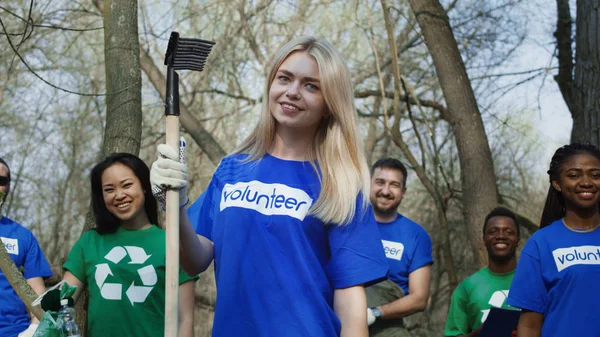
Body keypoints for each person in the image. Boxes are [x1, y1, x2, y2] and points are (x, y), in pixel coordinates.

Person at [151, 36, 389, 337]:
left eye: (311, 86)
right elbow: (194, 259)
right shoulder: (232, 169)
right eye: (284, 78)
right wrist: (174, 205)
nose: (292, 92)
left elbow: (351, 304)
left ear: (330, 104)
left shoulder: (341, 185)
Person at [62, 153, 197, 337]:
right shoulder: (90, 242)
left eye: (127, 185)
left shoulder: (173, 243)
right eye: (109, 189)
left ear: (145, 186)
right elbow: (61, 302)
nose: (119, 195)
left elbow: (185, 319)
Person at [507, 143, 600, 336]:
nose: (586, 182)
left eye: (595, 175)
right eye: (574, 175)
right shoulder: (541, 245)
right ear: (557, 183)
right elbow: (530, 326)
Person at [365, 158, 433, 336]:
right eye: (380, 182)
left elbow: (419, 298)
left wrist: (375, 313)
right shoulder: (348, 225)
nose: (385, 191)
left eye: (394, 185)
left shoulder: (416, 236)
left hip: (387, 326)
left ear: (403, 192)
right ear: (369, 184)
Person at [444, 207, 520, 337]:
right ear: (484, 239)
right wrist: (478, 334)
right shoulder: (466, 288)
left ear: (518, 240)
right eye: (493, 231)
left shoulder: (535, 282)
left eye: (508, 232)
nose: (501, 236)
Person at [0, 158, 52, 337]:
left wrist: (33, 330)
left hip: (14, 331)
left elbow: (37, 292)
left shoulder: (23, 236)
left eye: (1, 181)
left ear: (8, 187)